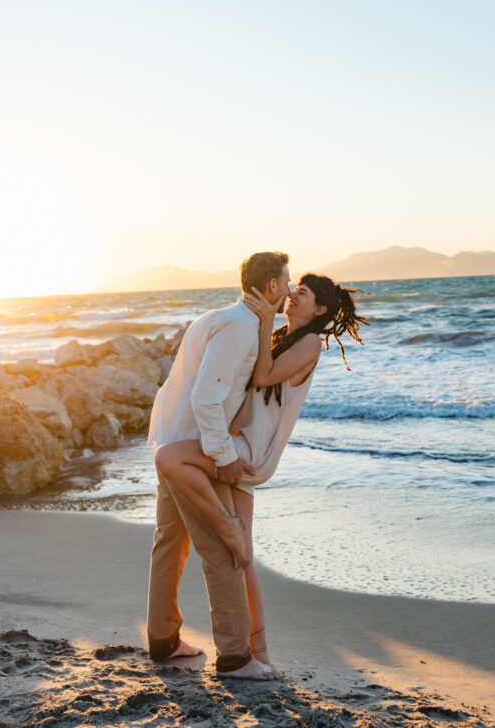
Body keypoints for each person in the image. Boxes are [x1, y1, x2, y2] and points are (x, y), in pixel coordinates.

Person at [154, 272, 367, 671]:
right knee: (244, 557)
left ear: (319, 309)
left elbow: (265, 377)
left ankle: (253, 645)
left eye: (301, 293)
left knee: (170, 457)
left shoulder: (309, 344)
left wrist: (266, 318)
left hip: (251, 452)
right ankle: (259, 654)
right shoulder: (280, 338)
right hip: (239, 445)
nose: (291, 295)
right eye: (292, 288)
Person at [146, 250, 292, 681]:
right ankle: (234, 657)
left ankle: (163, 641)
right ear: (271, 287)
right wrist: (225, 459)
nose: (288, 289)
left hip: (172, 437)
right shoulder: (240, 328)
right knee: (224, 540)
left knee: (170, 543)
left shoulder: (228, 318)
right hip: (194, 449)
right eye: (287, 282)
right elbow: (206, 399)